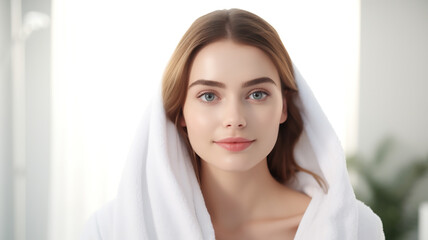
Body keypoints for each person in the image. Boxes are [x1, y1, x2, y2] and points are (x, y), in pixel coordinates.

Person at [82, 9, 384, 240]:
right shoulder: (111, 229)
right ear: (181, 111)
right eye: (209, 95)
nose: (234, 119)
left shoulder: (356, 229)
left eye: (257, 94)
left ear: (284, 107)